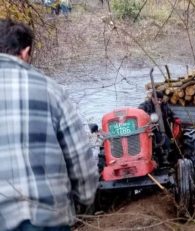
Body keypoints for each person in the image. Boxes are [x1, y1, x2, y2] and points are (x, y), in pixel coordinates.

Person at [0, 19, 99, 230]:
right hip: (45, 219)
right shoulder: (51, 90)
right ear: (25, 52)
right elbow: (80, 157)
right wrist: (85, 200)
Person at [138, 91, 178, 165]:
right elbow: (139, 113)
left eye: (160, 100)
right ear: (152, 98)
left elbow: (171, 113)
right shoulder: (145, 105)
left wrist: (175, 118)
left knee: (166, 141)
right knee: (157, 140)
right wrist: (148, 118)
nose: (159, 102)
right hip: (151, 129)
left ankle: (167, 157)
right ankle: (159, 158)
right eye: (157, 100)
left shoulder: (164, 105)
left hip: (164, 128)